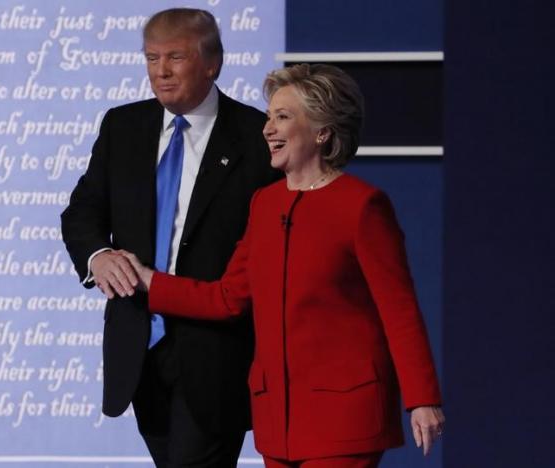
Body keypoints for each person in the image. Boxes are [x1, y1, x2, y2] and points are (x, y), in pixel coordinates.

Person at [128, 64, 445, 468]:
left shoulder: (362, 206)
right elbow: (227, 297)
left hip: (344, 418)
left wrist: (422, 399)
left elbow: (398, 311)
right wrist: (147, 281)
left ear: (322, 131)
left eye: (283, 116)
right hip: (277, 421)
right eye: (268, 116)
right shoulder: (265, 204)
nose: (268, 129)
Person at [61, 8, 278, 467]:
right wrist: (97, 255)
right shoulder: (123, 127)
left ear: (211, 63)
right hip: (141, 344)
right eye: (152, 58)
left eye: (175, 57)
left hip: (217, 349)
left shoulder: (254, 136)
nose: (160, 71)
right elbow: (82, 212)